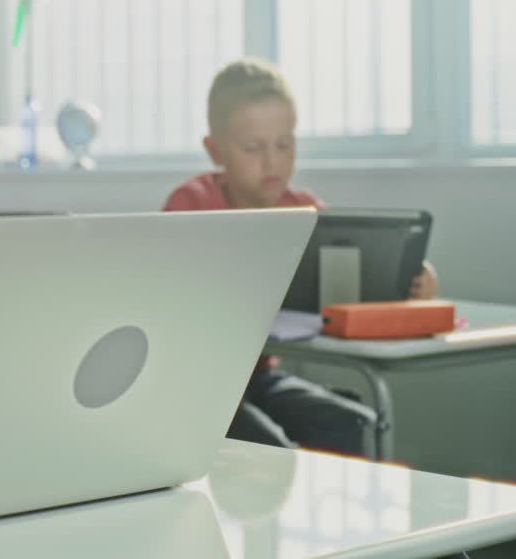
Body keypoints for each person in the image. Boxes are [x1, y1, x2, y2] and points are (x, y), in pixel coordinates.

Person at [163, 57, 397, 456]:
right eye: (253, 148)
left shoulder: (305, 212)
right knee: (270, 448)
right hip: (194, 385)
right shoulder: (191, 206)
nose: (272, 161)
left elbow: (360, 267)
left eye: (284, 145)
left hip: (258, 379)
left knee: (355, 425)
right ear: (214, 150)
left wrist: (412, 277)